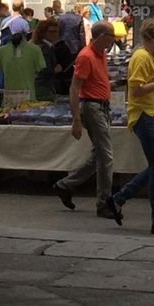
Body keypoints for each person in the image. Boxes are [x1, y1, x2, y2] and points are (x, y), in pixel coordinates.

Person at [106, 17, 154, 235]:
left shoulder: (150, 56)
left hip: (153, 115)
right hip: (144, 116)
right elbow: (136, 90)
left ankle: (119, 199)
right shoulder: (141, 57)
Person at [54, 21, 117, 216]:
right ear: (101, 37)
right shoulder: (86, 56)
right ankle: (104, 203)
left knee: (98, 154)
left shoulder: (101, 53)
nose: (113, 40)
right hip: (92, 107)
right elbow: (74, 88)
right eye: (111, 36)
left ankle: (65, 185)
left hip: (101, 107)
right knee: (106, 156)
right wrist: (76, 120)